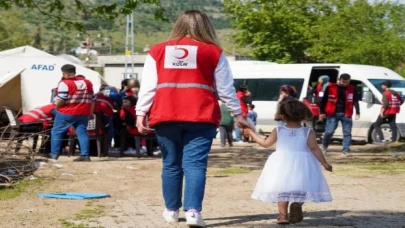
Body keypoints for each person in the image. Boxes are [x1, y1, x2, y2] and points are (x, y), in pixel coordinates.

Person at [135, 10, 251, 227]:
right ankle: (193, 213)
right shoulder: (213, 52)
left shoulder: (157, 51)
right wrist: (238, 114)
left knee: (170, 164)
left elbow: (148, 86)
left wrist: (141, 112)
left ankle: (171, 211)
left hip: (165, 114)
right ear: (207, 26)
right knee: (195, 165)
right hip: (201, 115)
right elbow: (226, 89)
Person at [247, 100, 332, 224]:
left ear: (282, 115)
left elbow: (265, 144)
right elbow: (314, 148)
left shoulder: (278, 130)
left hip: (281, 163)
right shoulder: (307, 131)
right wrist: (324, 163)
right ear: (304, 114)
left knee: (283, 190)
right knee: (302, 187)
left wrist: (251, 133)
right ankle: (297, 203)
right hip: (303, 163)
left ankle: (283, 217)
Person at [50, 64, 95, 162]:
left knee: (56, 132)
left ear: (64, 73)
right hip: (84, 112)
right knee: (82, 133)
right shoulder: (87, 82)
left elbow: (61, 99)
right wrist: (90, 112)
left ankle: (54, 154)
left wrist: (57, 106)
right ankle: (85, 155)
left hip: (67, 112)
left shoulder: (64, 83)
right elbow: (92, 99)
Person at [320, 73, 360, 156]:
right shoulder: (331, 87)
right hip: (332, 113)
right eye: (343, 82)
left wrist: (357, 112)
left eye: (347, 82)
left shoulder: (352, 88)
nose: (345, 84)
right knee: (329, 131)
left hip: (346, 113)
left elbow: (355, 100)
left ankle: (346, 149)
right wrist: (322, 112)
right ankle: (324, 146)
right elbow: (323, 100)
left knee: (347, 132)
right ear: (339, 80)